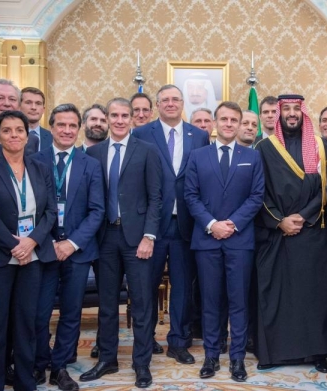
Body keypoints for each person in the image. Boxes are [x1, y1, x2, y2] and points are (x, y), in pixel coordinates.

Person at [254, 94, 327, 372]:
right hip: (277, 233)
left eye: (297, 109)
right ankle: (276, 353)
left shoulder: (320, 147)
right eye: (287, 110)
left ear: (303, 113)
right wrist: (280, 221)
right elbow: (257, 192)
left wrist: (303, 216)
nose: (292, 114)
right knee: (277, 293)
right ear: (278, 114)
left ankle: (317, 351)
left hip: (312, 233)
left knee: (314, 295)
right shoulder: (263, 147)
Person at [80, 98, 162, 389]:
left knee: (140, 303)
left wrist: (149, 236)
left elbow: (156, 198)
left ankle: (141, 364)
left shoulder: (147, 151)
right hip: (104, 238)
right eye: (113, 115)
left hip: (137, 238)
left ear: (131, 119)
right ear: (106, 117)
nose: (118, 120)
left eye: (124, 115)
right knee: (107, 304)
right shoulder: (94, 152)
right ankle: (107, 359)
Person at [0, 110, 57, 391]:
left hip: (31, 258)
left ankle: (25, 383)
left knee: (26, 325)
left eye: (19, 130)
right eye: (7, 130)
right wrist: (14, 245)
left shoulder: (40, 168)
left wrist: (31, 241)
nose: (14, 135)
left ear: (27, 135)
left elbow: (50, 213)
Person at [185, 101, 265, 382]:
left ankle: (237, 359)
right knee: (210, 301)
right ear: (215, 122)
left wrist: (232, 224)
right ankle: (210, 356)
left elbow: (257, 197)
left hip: (239, 240)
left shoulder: (252, 157)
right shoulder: (198, 155)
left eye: (235, 120)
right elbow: (190, 196)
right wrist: (211, 224)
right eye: (224, 119)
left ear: (241, 123)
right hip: (207, 240)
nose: (229, 124)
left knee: (238, 301)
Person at [133, 84, 209, 364]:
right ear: (157, 105)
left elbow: (203, 177)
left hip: (186, 224)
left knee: (183, 287)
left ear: (182, 103)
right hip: (150, 226)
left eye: (175, 99)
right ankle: (146, 338)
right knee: (147, 285)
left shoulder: (199, 135)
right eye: (165, 100)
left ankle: (178, 341)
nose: (171, 104)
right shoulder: (141, 134)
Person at [32, 104, 105, 391]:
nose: (66, 130)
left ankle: (59, 368)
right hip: (43, 250)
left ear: (80, 128)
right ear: (51, 127)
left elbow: (97, 211)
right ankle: (39, 364)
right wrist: (48, 242)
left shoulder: (91, 164)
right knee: (39, 312)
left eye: (72, 125)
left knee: (72, 313)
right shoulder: (34, 160)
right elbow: (31, 208)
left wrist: (71, 243)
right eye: (61, 125)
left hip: (78, 251)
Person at [20, 87, 53, 153]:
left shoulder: (52, 137)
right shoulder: (11, 135)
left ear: (43, 109)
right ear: (19, 107)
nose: (33, 107)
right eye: (28, 102)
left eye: (38, 103)